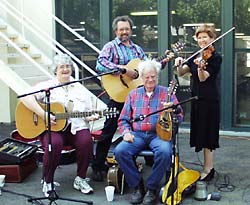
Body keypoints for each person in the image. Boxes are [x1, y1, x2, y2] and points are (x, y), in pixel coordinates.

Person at [92, 15, 172, 182]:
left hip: (137, 97)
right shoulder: (111, 46)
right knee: (108, 130)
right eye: (121, 29)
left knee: (145, 124)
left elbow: (148, 69)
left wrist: (163, 61)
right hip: (118, 95)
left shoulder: (137, 49)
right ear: (116, 31)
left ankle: (151, 159)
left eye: (127, 29)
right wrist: (123, 70)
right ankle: (98, 165)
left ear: (131, 30)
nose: (124, 32)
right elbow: (100, 64)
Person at [20, 54, 99, 197]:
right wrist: (43, 114)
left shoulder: (80, 88)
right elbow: (25, 96)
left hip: (75, 126)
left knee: (86, 141)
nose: (65, 69)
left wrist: (90, 116)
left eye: (67, 66)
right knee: (54, 144)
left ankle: (80, 178)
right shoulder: (47, 86)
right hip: (52, 128)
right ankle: (48, 180)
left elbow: (87, 111)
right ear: (55, 70)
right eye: (61, 67)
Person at [114, 59, 184, 205]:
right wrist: (126, 132)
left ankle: (151, 188)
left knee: (165, 152)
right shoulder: (133, 94)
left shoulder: (167, 93)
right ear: (142, 77)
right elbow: (123, 120)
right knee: (120, 151)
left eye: (153, 76)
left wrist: (173, 111)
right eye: (147, 77)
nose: (150, 79)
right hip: (137, 135)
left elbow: (180, 115)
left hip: (159, 135)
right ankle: (137, 186)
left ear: (157, 77)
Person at [174, 24, 222, 181]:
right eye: (199, 37)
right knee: (200, 133)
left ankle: (209, 168)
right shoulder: (197, 55)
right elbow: (182, 73)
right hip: (196, 99)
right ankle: (207, 167)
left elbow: (203, 78)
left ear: (212, 38)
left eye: (205, 37)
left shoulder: (215, 57)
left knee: (208, 134)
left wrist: (201, 67)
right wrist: (179, 63)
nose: (202, 40)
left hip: (209, 100)